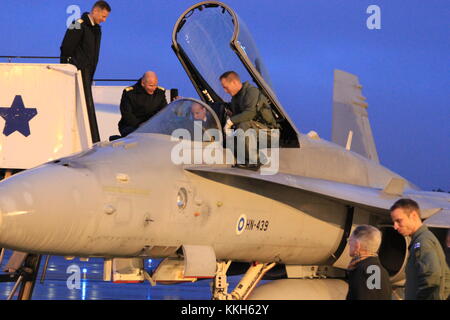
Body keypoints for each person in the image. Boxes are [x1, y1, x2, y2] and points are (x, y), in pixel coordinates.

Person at [60, 1, 111, 142]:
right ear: (95, 11)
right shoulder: (77, 23)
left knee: (87, 105)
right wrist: (74, 67)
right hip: (79, 71)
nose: (104, 20)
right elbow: (65, 48)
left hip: (89, 72)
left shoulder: (97, 29)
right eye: (103, 16)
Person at [390, 198, 450, 300]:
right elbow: (446, 277)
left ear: (413, 216)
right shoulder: (422, 239)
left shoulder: (422, 242)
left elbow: (432, 278)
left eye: (399, 221)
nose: (395, 226)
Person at [219, 71, 274, 169]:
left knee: (243, 125)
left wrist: (230, 122)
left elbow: (250, 113)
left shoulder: (251, 91)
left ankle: (255, 160)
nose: (225, 91)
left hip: (269, 133)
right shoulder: (235, 98)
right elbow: (237, 116)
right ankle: (243, 160)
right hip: (254, 131)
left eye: (225, 87)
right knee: (229, 137)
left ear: (235, 83)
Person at [346, 225, 392, 300]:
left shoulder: (365, 270)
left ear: (357, 245)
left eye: (350, 241)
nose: (349, 244)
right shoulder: (377, 269)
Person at [118, 71, 167, 137]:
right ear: (143, 83)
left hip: (152, 127)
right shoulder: (130, 93)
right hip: (132, 126)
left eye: (156, 85)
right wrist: (140, 125)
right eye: (151, 86)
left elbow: (164, 111)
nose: (154, 88)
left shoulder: (160, 93)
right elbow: (127, 114)